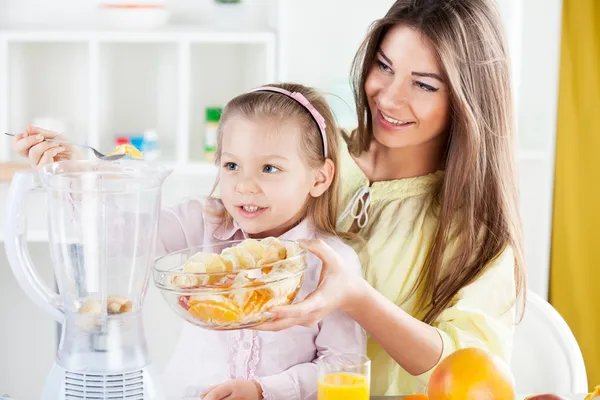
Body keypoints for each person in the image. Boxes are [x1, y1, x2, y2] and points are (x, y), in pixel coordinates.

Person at [11, 83, 366, 400]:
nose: (244, 185)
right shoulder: (204, 222)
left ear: (320, 178)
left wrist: (263, 391)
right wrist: (78, 177)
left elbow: (344, 364)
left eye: (269, 168)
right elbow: (120, 237)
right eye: (231, 165)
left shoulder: (333, 263)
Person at [255, 0, 526, 396]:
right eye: (384, 66)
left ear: (469, 101)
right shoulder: (314, 153)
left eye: (423, 84)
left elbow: (468, 369)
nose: (389, 98)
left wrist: (356, 298)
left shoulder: (477, 236)